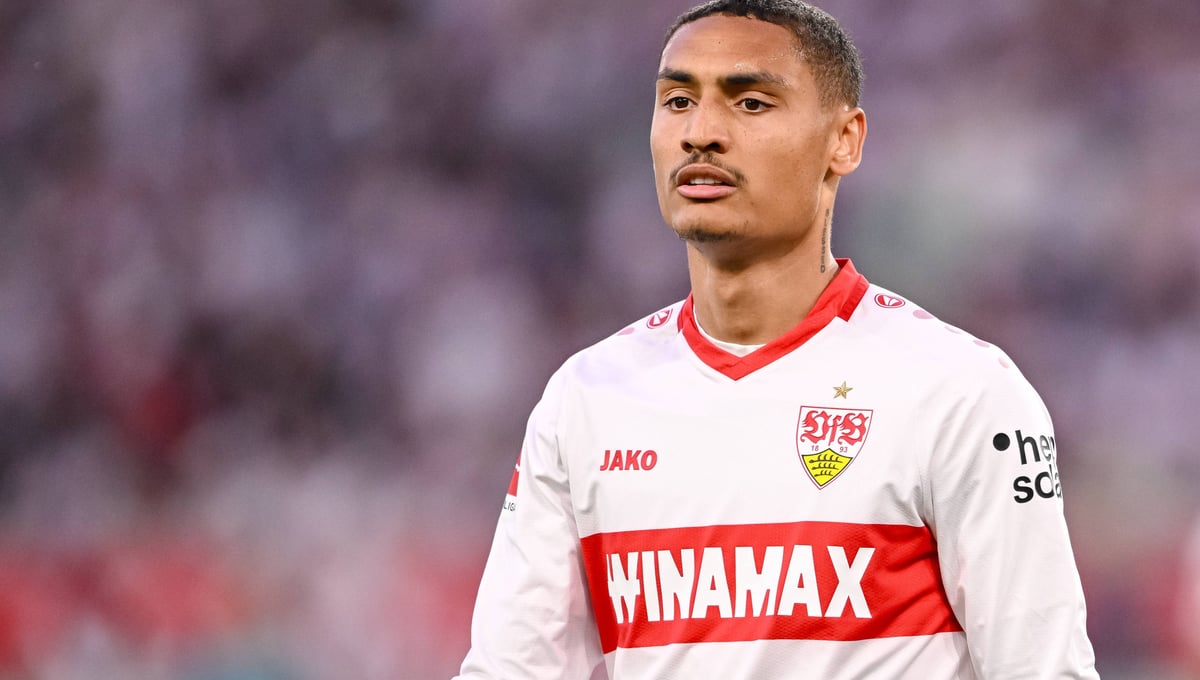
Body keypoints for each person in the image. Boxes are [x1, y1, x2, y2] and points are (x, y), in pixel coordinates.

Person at [454, 1, 1099, 678]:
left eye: (751, 103)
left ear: (844, 141)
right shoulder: (585, 398)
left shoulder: (961, 393)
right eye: (677, 101)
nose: (701, 133)